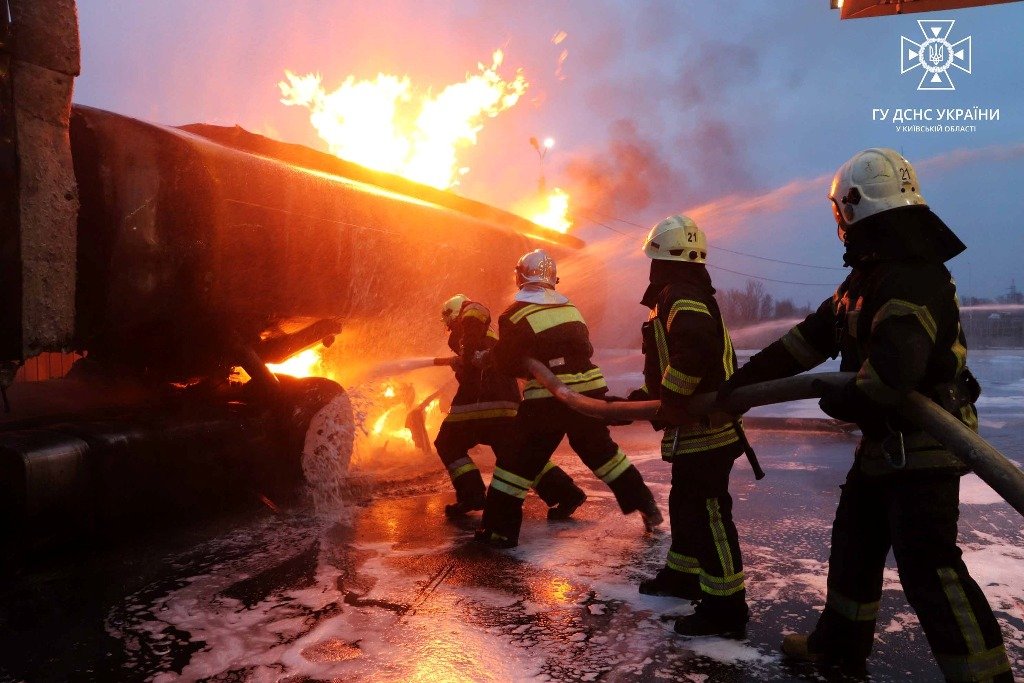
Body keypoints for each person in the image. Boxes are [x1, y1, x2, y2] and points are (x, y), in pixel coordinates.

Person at [719, 148, 1012, 680]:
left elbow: (896, 372)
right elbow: (806, 342)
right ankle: (839, 645)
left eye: (839, 211)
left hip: (923, 446)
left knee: (930, 567)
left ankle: (983, 675)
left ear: (852, 207)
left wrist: (841, 398)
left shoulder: (911, 275)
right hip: (885, 444)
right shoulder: (867, 277)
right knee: (854, 542)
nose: (838, 222)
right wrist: (739, 385)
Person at [474, 249, 663, 548]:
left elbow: (509, 362)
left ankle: (499, 531)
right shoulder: (570, 307)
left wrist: (489, 358)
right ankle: (647, 507)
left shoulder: (514, 313)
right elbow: (584, 349)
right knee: (604, 456)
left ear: (521, 275)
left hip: (547, 400)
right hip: (589, 391)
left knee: (516, 463)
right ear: (553, 277)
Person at [629, 215, 751, 638]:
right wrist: (653, 400)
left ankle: (726, 607)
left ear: (659, 257)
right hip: (694, 429)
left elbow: (695, 348)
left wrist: (672, 399)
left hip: (707, 428)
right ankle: (682, 576)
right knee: (686, 504)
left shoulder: (680, 293)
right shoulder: (679, 292)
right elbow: (676, 355)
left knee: (709, 513)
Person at [436, 294, 584, 518]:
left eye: (449, 321)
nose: (448, 327)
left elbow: (473, 344)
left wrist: (464, 361)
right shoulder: (480, 337)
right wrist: (461, 363)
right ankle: (566, 493)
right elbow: (477, 359)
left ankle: (472, 495)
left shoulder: (472, 313)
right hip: (505, 402)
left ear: (455, 313)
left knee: (448, 442)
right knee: (517, 453)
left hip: (479, 402)